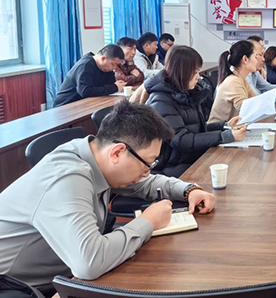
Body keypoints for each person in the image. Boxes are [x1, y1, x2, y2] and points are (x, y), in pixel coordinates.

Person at [0, 99, 215, 294]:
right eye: (147, 164)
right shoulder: (67, 176)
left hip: (62, 274)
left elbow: (146, 182)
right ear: (117, 152)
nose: (147, 172)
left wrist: (189, 190)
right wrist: (148, 222)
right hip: (16, 288)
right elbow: (89, 263)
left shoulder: (95, 155)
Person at [146, 45, 246, 177]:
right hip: (173, 167)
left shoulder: (186, 93)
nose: (198, 77)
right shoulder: (161, 100)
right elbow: (181, 140)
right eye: (195, 72)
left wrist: (225, 126)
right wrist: (225, 136)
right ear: (182, 72)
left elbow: (198, 130)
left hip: (191, 157)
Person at [53, 45, 127, 107]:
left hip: (87, 104)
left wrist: (116, 86)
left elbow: (109, 85)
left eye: (117, 65)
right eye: (113, 64)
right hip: (66, 106)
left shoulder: (106, 68)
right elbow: (85, 91)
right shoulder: (85, 65)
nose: (114, 68)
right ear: (103, 58)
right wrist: (115, 87)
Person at [208, 40, 259, 124]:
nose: (257, 61)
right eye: (255, 57)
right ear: (245, 59)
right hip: (220, 129)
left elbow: (255, 101)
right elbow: (246, 110)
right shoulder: (233, 81)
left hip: (233, 127)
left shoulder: (241, 78)